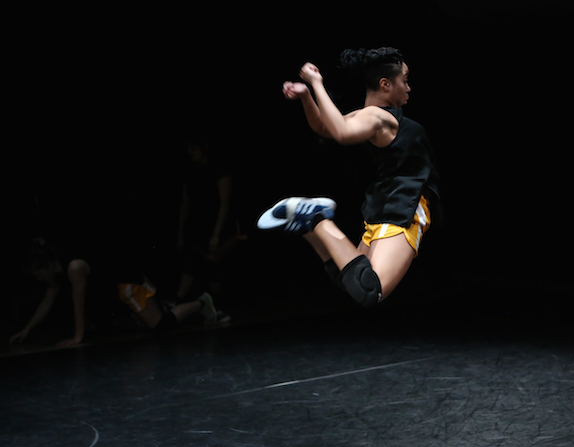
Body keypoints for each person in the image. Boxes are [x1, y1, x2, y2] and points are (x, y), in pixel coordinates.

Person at [259, 47, 442, 307]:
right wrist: (316, 84)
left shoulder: (365, 116)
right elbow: (341, 133)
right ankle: (316, 219)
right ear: (385, 84)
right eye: (405, 80)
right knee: (371, 291)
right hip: (405, 204)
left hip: (385, 203)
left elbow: (326, 127)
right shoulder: (381, 117)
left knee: (354, 282)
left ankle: (311, 226)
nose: (409, 87)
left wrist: (307, 98)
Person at [9, 239, 217, 347]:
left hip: (126, 281)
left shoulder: (73, 267)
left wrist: (77, 336)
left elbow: (78, 301)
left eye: (38, 274)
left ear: (46, 266)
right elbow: (48, 298)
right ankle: (148, 312)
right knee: (106, 323)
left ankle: (202, 303)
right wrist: (28, 328)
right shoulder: (57, 271)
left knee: (160, 325)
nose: (39, 279)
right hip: (112, 290)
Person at [176, 137, 245, 321]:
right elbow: (185, 203)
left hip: (222, 228)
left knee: (208, 263)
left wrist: (216, 234)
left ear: (204, 147)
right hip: (198, 229)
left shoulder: (219, 169)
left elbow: (225, 203)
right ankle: (213, 308)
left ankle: (182, 303)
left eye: (193, 147)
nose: (190, 152)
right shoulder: (189, 172)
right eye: (188, 148)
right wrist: (181, 234)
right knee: (203, 266)